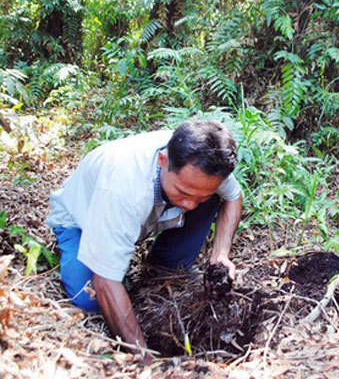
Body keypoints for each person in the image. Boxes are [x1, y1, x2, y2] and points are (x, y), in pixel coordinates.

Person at [46, 120, 243, 360]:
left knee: (209, 199)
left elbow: (234, 196)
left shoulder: (207, 164)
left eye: (199, 196)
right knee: (89, 298)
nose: (190, 205)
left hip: (140, 216)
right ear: (163, 161)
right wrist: (145, 358)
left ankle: (165, 268)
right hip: (80, 222)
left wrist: (220, 255)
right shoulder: (123, 186)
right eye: (183, 192)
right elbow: (104, 282)